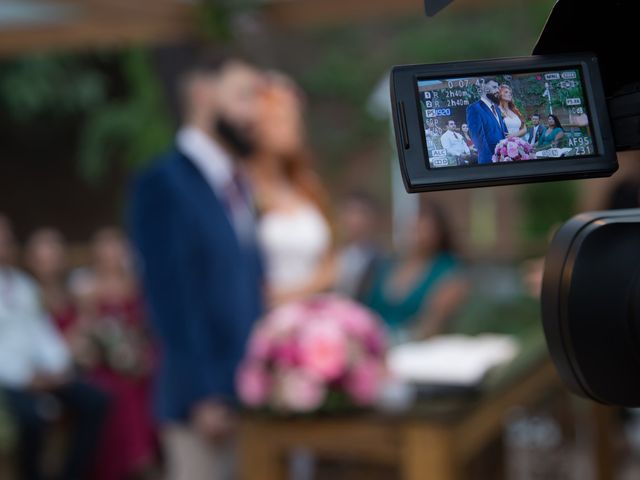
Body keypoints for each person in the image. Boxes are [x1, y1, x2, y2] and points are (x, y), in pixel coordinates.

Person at [130, 56, 265, 480]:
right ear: (203, 94)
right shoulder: (162, 183)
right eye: (244, 96)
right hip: (201, 405)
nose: (254, 113)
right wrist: (203, 393)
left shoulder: (237, 183)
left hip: (249, 393)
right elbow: (170, 298)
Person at [0, 214, 108, 480]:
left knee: (96, 400)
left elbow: (41, 334)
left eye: (6, 238)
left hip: (39, 376)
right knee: (32, 419)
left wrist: (58, 368)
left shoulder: (23, 286)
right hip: (9, 382)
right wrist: (26, 378)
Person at [68, 228, 156, 480]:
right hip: (102, 364)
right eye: (105, 249)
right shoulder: (87, 288)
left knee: (149, 380)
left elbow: (146, 327)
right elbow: (81, 332)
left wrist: (138, 352)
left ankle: (152, 456)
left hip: (135, 359)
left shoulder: (136, 286)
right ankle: (136, 462)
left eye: (116, 248)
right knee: (120, 390)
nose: (111, 255)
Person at [249, 74, 336, 307]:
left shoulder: (307, 186)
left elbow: (331, 261)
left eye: (294, 118)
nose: (293, 127)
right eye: (279, 119)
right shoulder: (242, 190)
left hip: (317, 312)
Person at [364, 201, 467, 344]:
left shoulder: (447, 271)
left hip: (415, 348)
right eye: (413, 227)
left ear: (439, 232)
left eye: (425, 228)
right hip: (372, 341)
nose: (417, 233)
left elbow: (432, 324)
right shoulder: (388, 265)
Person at [24, 228, 77, 335]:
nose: (53, 254)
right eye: (46, 248)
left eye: (55, 248)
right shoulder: (23, 293)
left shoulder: (77, 290)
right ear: (30, 259)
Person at [335, 191, 386, 301]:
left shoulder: (380, 259)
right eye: (349, 212)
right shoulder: (334, 252)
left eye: (359, 213)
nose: (352, 219)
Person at [466, 78, 508, 164]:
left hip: (504, 159)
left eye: (498, 88)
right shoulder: (474, 108)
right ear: (483, 87)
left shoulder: (497, 108)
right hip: (490, 161)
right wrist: (492, 161)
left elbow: (504, 134)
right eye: (494, 87)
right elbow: (479, 141)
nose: (497, 91)